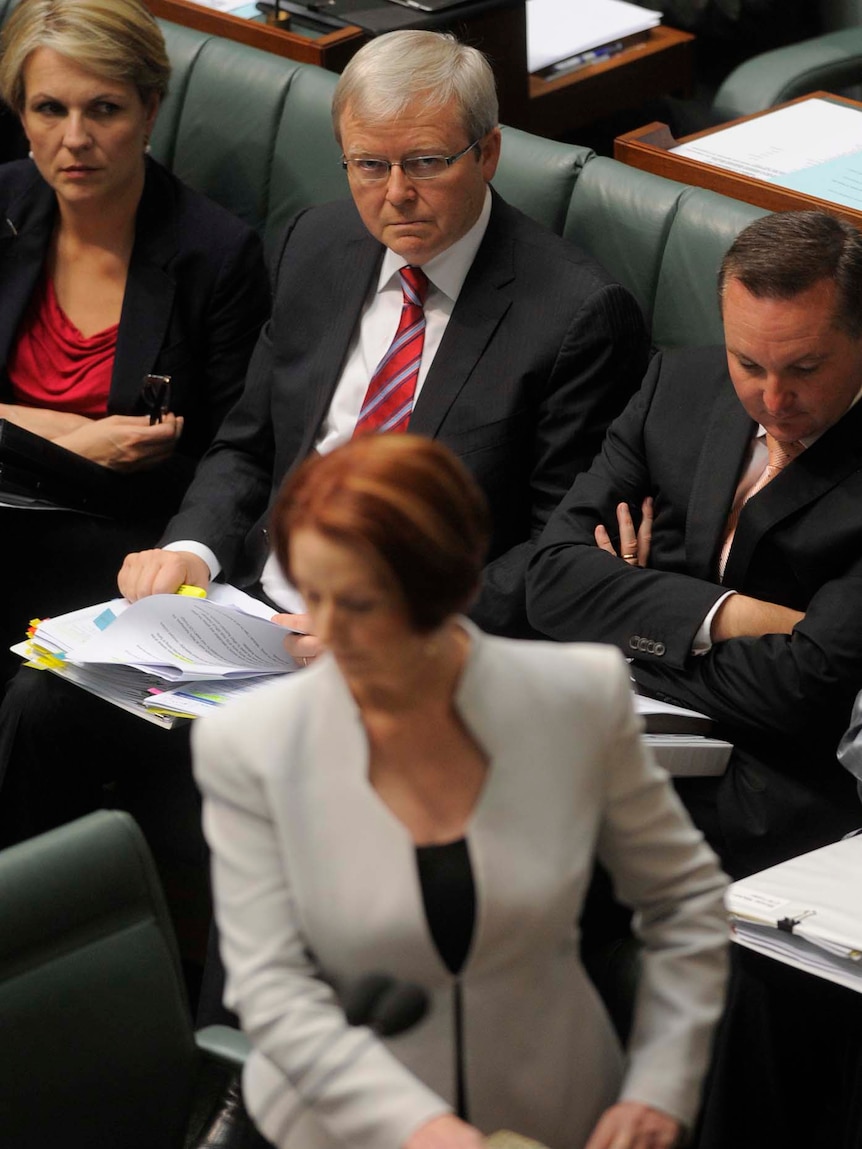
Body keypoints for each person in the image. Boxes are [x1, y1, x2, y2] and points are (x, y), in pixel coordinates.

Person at [192, 433, 729, 1149]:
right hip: (332, 1118)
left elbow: (685, 903)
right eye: (310, 594)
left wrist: (661, 1085)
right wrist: (425, 1130)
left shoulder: (577, 700)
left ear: (449, 591)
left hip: (551, 1110)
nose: (322, 633)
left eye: (357, 604)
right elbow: (272, 988)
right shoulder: (249, 743)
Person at [116, 27, 649, 642]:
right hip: (255, 609)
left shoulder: (577, 315)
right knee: (43, 700)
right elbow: (250, 444)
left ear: (488, 153)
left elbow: (557, 545)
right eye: (369, 165)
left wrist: (398, 629)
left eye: (426, 162)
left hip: (411, 645)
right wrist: (192, 548)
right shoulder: (315, 244)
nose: (396, 194)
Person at [526, 209, 862, 882]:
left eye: (803, 366)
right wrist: (728, 616)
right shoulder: (676, 388)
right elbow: (553, 580)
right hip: (624, 724)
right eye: (748, 362)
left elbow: (807, 691)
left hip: (774, 781)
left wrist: (626, 610)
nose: (772, 397)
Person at [0, 0, 270, 677]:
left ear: (150, 111)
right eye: (49, 109)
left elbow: (219, 444)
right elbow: (110, 436)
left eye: (104, 109)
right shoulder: (2, 206)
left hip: (116, 537)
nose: (75, 138)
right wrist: (81, 437)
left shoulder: (215, 253)